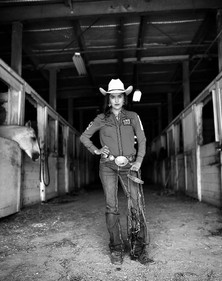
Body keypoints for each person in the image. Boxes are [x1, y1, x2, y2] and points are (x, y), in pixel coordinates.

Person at [80, 78, 153, 265]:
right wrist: (96, 150)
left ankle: (138, 247)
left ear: (124, 98)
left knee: (135, 204)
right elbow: (84, 137)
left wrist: (138, 161)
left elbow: (142, 140)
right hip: (108, 167)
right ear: (109, 99)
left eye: (119, 96)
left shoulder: (133, 116)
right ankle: (116, 248)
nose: (117, 100)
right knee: (112, 207)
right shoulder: (101, 119)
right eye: (113, 97)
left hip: (129, 166)